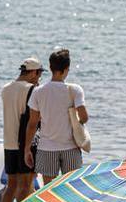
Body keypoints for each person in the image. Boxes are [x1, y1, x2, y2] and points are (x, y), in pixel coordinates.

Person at [24, 48, 88, 182]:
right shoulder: (75, 90)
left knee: (48, 190)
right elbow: (84, 117)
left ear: (50, 67)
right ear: (66, 69)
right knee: (71, 188)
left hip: (46, 148)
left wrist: (27, 149)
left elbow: (32, 124)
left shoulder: (38, 91)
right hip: (71, 147)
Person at [1, 57, 44, 202]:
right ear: (33, 72)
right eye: (39, 73)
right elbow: (34, 118)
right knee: (26, 185)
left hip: (8, 142)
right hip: (25, 141)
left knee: (10, 185)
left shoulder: (6, 88)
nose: (39, 77)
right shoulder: (32, 89)